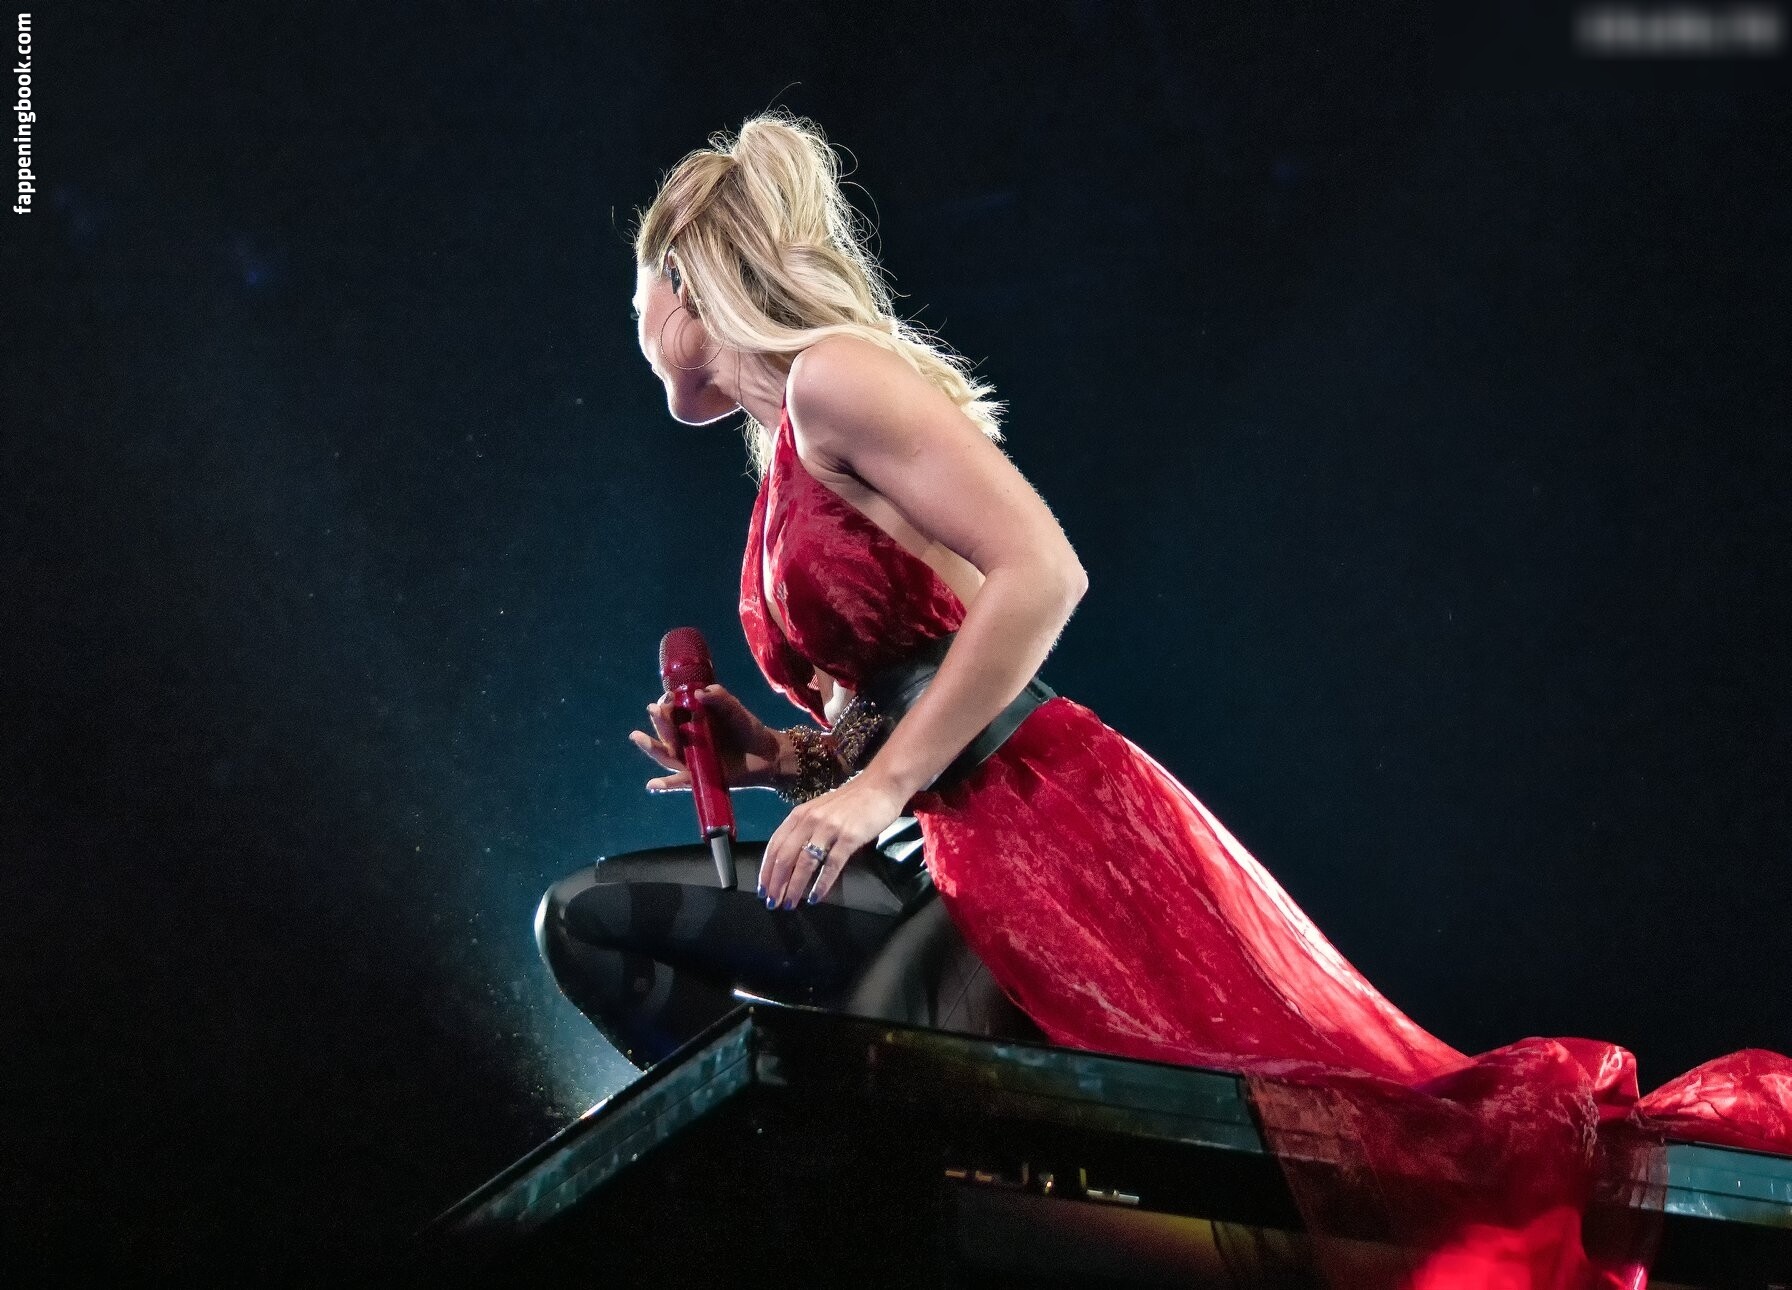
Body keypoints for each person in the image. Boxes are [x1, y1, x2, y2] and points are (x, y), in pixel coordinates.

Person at [609, 109, 1792, 1286]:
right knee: (600, 935)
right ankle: (769, 1177)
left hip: (1029, 822)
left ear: (683, 281)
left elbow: (1041, 572)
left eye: (634, 298)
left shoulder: (833, 379)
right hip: (925, 840)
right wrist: (784, 760)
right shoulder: (781, 455)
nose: (633, 327)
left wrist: (875, 788)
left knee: (881, 1126)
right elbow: (907, 670)